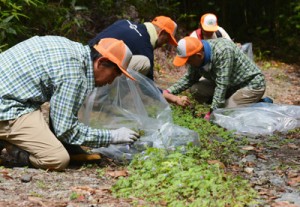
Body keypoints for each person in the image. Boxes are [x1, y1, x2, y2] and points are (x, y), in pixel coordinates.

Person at [0, 36, 140, 170]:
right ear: (101, 62)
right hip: (8, 107)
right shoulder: (74, 75)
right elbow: (66, 130)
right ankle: (16, 150)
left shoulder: (73, 50)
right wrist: (112, 136)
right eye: (114, 74)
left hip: (11, 94)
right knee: (56, 158)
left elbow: (60, 116)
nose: (111, 81)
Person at [164, 36, 266, 120]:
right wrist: (168, 92)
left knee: (225, 113)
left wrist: (211, 113)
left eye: (188, 61)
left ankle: (260, 103)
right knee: (196, 89)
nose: (187, 64)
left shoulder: (223, 51)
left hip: (249, 85)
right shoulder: (196, 56)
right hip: (230, 85)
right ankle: (230, 101)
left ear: (199, 56)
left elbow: (222, 85)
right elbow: (190, 78)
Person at [88, 16, 178, 81]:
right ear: (161, 33)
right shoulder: (145, 47)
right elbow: (149, 86)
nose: (164, 44)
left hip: (88, 56)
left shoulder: (124, 22)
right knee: (144, 62)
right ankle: (106, 101)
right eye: (167, 39)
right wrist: (173, 98)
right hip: (98, 71)